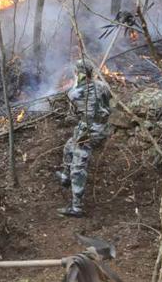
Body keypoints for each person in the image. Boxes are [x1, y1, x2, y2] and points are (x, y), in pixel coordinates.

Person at [55, 60, 111, 217]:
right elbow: (107, 103)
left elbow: (72, 117)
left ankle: (76, 207)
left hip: (88, 132)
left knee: (78, 167)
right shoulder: (103, 86)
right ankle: (65, 177)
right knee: (68, 146)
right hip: (103, 127)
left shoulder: (75, 93)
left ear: (78, 73)